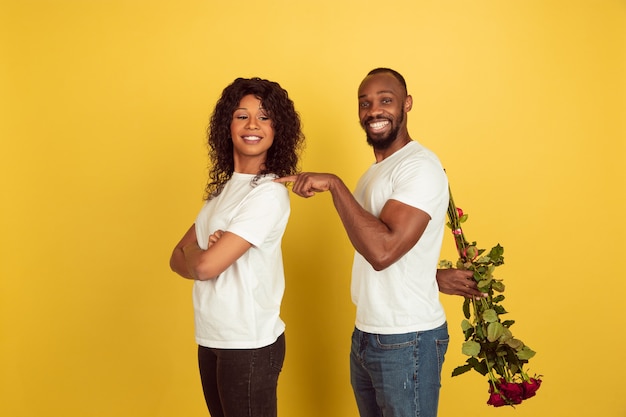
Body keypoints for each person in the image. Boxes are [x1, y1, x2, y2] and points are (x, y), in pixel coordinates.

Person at [276, 68, 482, 417]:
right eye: (365, 103)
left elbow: (383, 252)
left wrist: (335, 186)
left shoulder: (419, 167)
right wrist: (431, 278)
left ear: (407, 104)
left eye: (386, 100)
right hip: (368, 334)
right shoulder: (374, 174)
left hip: (406, 338)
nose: (374, 110)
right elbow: (396, 250)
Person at [170, 77, 304, 417]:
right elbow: (176, 257)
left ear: (277, 129)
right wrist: (202, 253)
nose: (253, 125)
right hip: (212, 337)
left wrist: (200, 254)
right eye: (242, 115)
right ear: (227, 125)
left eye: (264, 116)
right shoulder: (221, 193)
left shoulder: (269, 193)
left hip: (249, 344)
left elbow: (201, 267)